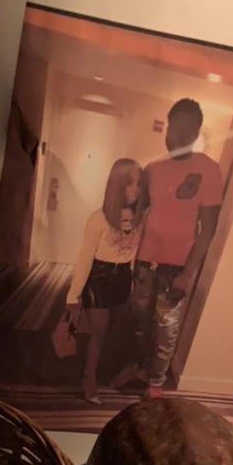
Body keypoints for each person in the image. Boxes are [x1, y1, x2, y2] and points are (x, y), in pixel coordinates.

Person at [114, 98, 223, 398]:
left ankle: (155, 383)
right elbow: (139, 211)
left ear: (197, 133)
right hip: (145, 260)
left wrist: (188, 274)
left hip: (177, 265)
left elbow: (208, 228)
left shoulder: (209, 169)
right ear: (167, 127)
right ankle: (138, 366)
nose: (178, 136)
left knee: (165, 326)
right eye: (174, 129)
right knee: (138, 320)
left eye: (187, 131)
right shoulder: (153, 168)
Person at [66, 158, 143, 405]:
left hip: (123, 277)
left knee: (119, 330)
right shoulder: (98, 219)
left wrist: (134, 281)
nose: (136, 189)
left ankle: (116, 373)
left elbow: (134, 253)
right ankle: (88, 377)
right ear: (117, 185)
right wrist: (73, 295)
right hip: (98, 278)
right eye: (130, 183)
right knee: (98, 332)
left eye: (139, 183)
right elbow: (85, 258)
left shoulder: (140, 218)